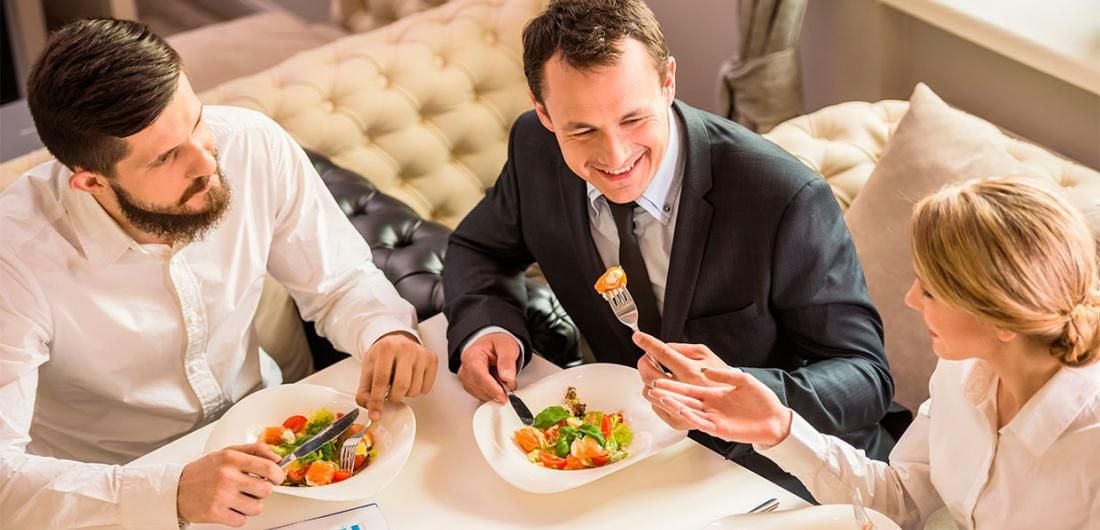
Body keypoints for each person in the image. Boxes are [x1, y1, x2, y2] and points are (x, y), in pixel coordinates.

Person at [442, 0, 894, 494]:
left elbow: (865, 376)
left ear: (668, 81)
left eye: (633, 119)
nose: (615, 157)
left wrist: (739, 395)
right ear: (543, 112)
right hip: (627, 464)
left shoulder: (783, 197)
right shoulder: (534, 147)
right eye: (582, 130)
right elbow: (480, 249)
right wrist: (487, 327)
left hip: (777, 475)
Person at [0, 19, 437, 528]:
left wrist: (383, 331)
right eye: (167, 156)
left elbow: (340, 281)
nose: (206, 161)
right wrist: (169, 492)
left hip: (276, 440)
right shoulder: (15, 258)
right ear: (91, 183)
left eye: (196, 121)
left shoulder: (252, 145)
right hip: (114, 494)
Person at [648, 177, 1100, 529]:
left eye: (931, 291)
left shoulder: (1089, 447)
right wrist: (778, 428)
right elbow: (902, 500)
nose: (910, 299)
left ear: (1003, 318)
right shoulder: (960, 372)